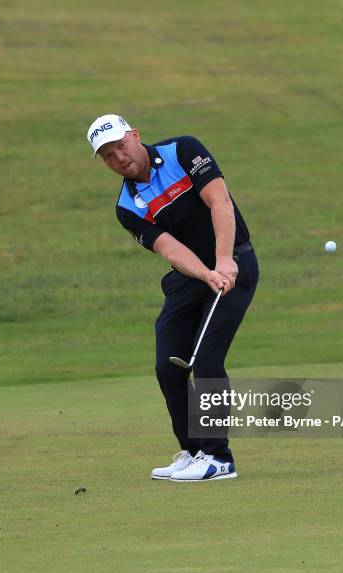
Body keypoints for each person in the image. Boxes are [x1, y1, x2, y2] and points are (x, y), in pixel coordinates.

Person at [86, 114, 259, 481]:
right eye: (108, 155)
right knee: (169, 364)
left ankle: (218, 458)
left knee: (207, 358)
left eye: (121, 145)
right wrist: (205, 273)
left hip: (235, 262)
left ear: (135, 135)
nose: (119, 157)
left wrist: (225, 262)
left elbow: (220, 203)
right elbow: (170, 249)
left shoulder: (183, 151)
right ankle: (194, 449)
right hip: (191, 276)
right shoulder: (127, 207)